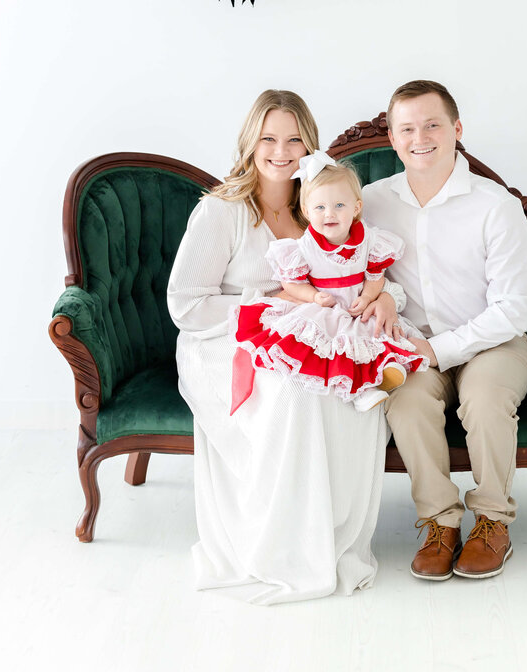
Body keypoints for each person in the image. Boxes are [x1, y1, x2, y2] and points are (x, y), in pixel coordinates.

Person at [167, 90, 404, 605]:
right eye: (269, 138)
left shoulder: (321, 207)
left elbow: (359, 276)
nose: (281, 151)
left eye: (294, 139)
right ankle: (280, 545)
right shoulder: (222, 212)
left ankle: (330, 537)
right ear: (251, 142)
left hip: (314, 338)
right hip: (223, 339)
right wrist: (270, 303)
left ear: (310, 147)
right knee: (293, 393)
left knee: (346, 390)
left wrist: (384, 294)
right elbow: (186, 305)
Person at [361, 79, 527, 582]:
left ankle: (493, 521)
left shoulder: (494, 205)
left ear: (457, 130)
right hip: (411, 349)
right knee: (403, 398)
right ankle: (440, 523)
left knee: (483, 400)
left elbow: (514, 309)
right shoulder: (370, 205)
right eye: (407, 128)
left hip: (494, 344)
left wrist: (437, 349)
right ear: (392, 139)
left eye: (433, 124)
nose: (421, 138)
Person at [231, 151, 428, 414]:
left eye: (339, 206)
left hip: (357, 306)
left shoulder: (370, 240)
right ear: (306, 210)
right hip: (325, 307)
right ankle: (361, 393)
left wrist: (369, 297)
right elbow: (292, 283)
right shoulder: (302, 247)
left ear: (356, 207)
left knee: (373, 336)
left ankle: (383, 374)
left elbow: (375, 276)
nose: (329, 214)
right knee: (335, 347)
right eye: (320, 208)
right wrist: (313, 296)